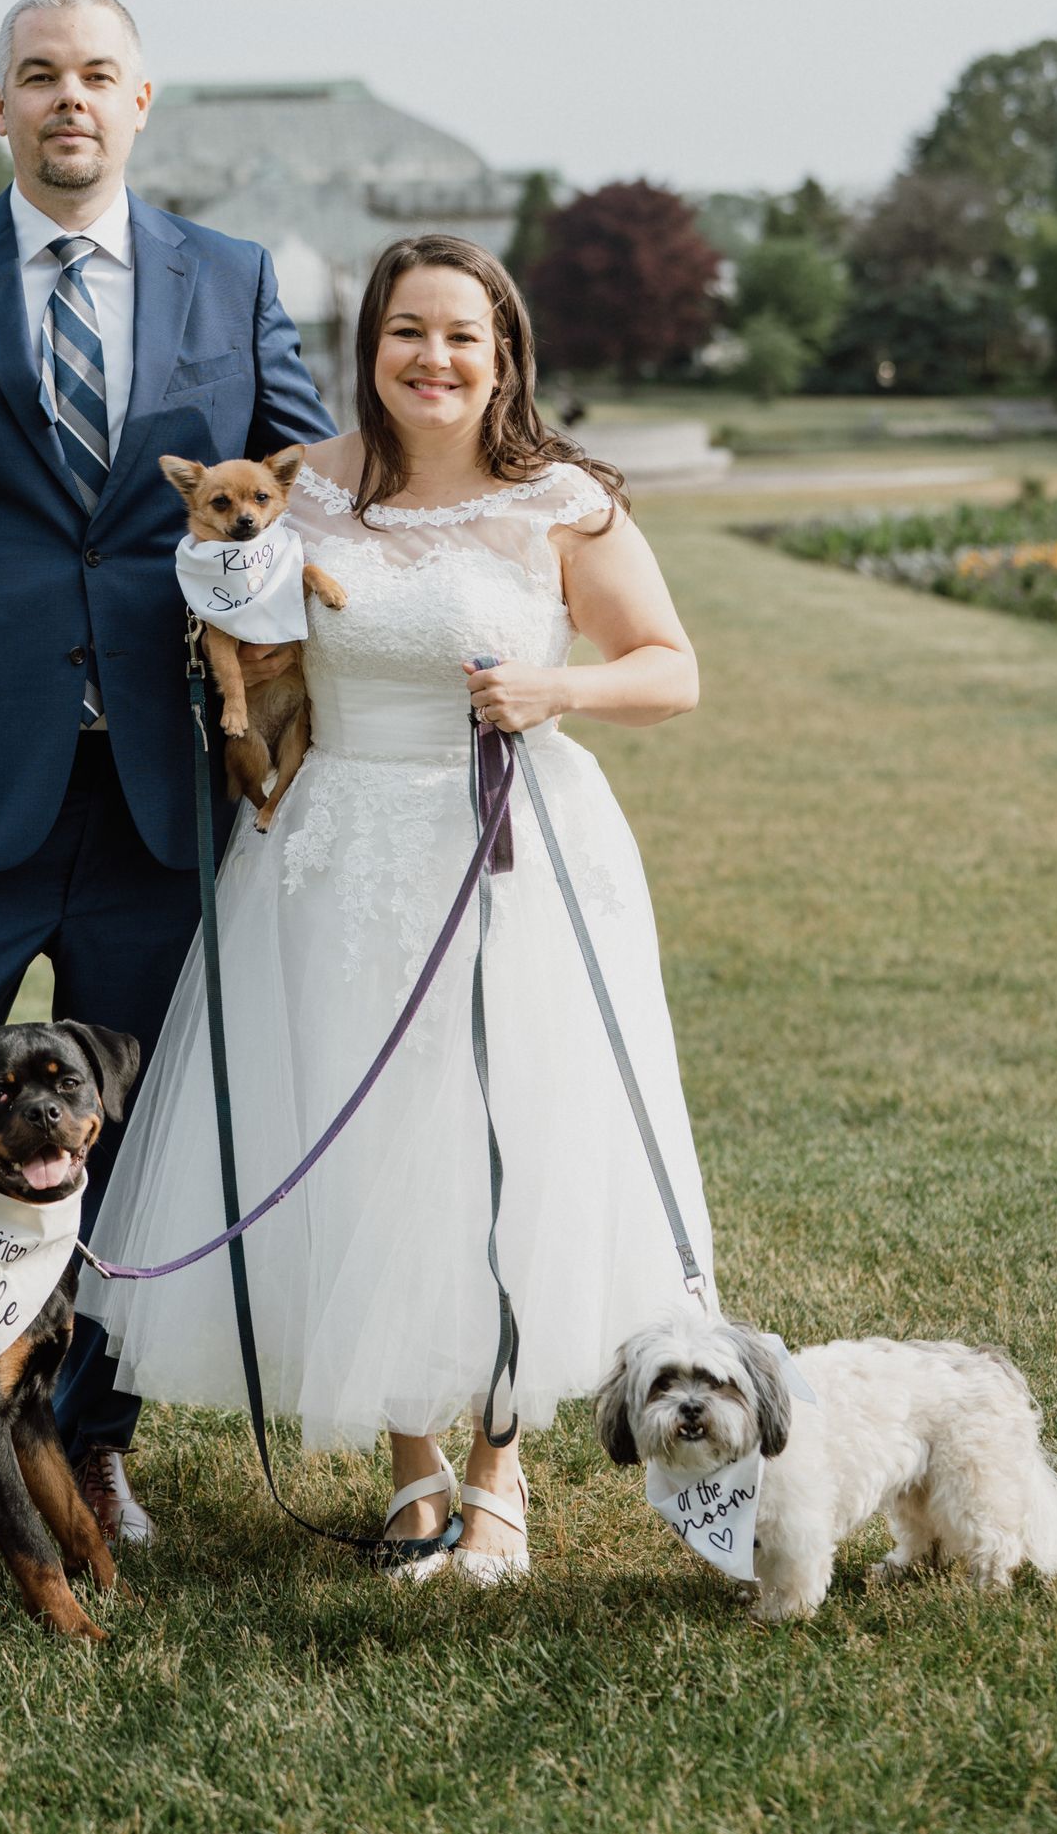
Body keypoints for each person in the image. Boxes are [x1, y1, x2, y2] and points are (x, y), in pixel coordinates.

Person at [82, 233, 713, 1581]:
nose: (435, 358)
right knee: (361, 1142)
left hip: (512, 849)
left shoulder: (564, 500)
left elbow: (671, 668)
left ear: (504, 354)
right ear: (368, 348)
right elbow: (231, 605)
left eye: (462, 335)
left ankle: (498, 1465)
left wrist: (558, 688)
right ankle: (412, 1462)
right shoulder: (304, 488)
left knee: (500, 1139)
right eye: (407, 332)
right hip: (332, 857)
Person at [0, 0, 333, 1546]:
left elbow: (317, 486)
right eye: (39, 74)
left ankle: (88, 1438)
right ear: (1, 106)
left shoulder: (233, 277)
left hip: (169, 791)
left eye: (99, 72)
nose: (69, 97)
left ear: (141, 100)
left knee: (137, 1134)